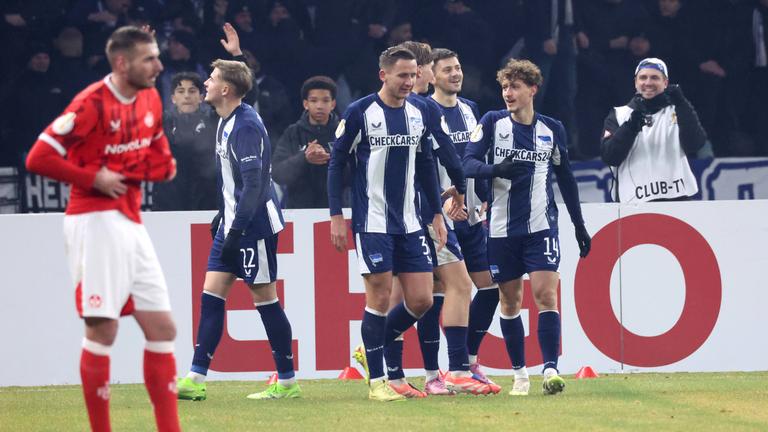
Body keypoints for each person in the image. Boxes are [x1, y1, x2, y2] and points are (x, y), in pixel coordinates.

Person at [24, 26, 180, 431]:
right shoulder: (91, 103)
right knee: (103, 327)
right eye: (149, 58)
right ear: (121, 62)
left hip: (129, 218)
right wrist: (93, 177)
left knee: (162, 327)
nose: (159, 66)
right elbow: (38, 158)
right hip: (94, 218)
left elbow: (163, 163)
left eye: (157, 56)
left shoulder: (149, 98)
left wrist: (145, 168)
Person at [327, 46, 453, 402]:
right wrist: (336, 214)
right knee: (380, 296)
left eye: (413, 75)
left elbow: (427, 164)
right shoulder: (360, 112)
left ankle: (371, 350)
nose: (409, 82)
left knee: (422, 299)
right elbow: (337, 163)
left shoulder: (418, 113)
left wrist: (436, 214)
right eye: (402, 75)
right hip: (373, 221)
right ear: (383, 75)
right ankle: (378, 382)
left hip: (411, 222)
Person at [463, 59, 591, 396]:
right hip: (502, 230)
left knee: (546, 294)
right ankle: (520, 374)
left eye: (515, 87)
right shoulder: (491, 123)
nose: (508, 93)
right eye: (505, 87)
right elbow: (468, 162)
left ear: (532, 90)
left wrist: (579, 225)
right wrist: (497, 170)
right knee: (510, 301)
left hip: (541, 226)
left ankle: (550, 368)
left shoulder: (552, 129)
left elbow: (565, 177)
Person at [176, 57, 301, 400]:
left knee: (265, 300)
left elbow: (255, 186)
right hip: (232, 224)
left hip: (253, 227)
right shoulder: (226, 119)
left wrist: (235, 232)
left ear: (226, 89)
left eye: (212, 79)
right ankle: (195, 379)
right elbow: (234, 183)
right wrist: (223, 215)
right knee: (212, 296)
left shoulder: (245, 126)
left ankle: (288, 382)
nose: (206, 84)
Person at [380, 41, 496, 398]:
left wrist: (474, 192)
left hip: (441, 213)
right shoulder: (418, 108)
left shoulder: (417, 109)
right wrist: (453, 192)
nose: (431, 74)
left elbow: (442, 155)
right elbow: (439, 157)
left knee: (435, 292)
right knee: (444, 289)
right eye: (432, 67)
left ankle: (432, 372)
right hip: (425, 215)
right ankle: (453, 368)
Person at [429, 48, 501, 389]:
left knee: (490, 288)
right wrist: (438, 204)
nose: (455, 74)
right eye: (447, 70)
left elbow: (478, 158)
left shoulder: (471, 110)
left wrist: (484, 196)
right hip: (442, 217)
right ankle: (448, 369)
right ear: (432, 75)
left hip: (472, 214)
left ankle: (468, 360)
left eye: (457, 68)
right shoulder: (424, 112)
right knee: (443, 289)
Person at [601, 58, 706, 202]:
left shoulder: (678, 110)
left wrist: (682, 104)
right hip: (634, 203)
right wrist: (630, 126)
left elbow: (695, 145)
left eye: (655, 77)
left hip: (678, 200)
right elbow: (610, 157)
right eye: (643, 77)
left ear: (665, 83)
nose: (648, 83)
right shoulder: (619, 114)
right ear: (636, 82)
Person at [152, 71, 218, 211]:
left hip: (206, 200)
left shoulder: (213, 119)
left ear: (201, 97)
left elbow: (243, 99)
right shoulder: (161, 121)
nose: (187, 96)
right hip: (168, 200)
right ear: (173, 98)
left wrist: (237, 55)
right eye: (181, 91)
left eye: (192, 91)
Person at [272, 75, 340, 208]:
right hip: (298, 213)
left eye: (325, 100)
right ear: (305, 104)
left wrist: (328, 157)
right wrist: (304, 157)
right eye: (314, 100)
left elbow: (358, 172)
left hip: (337, 211)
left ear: (333, 104)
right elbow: (277, 174)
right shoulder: (292, 132)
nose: (319, 106)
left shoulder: (343, 132)